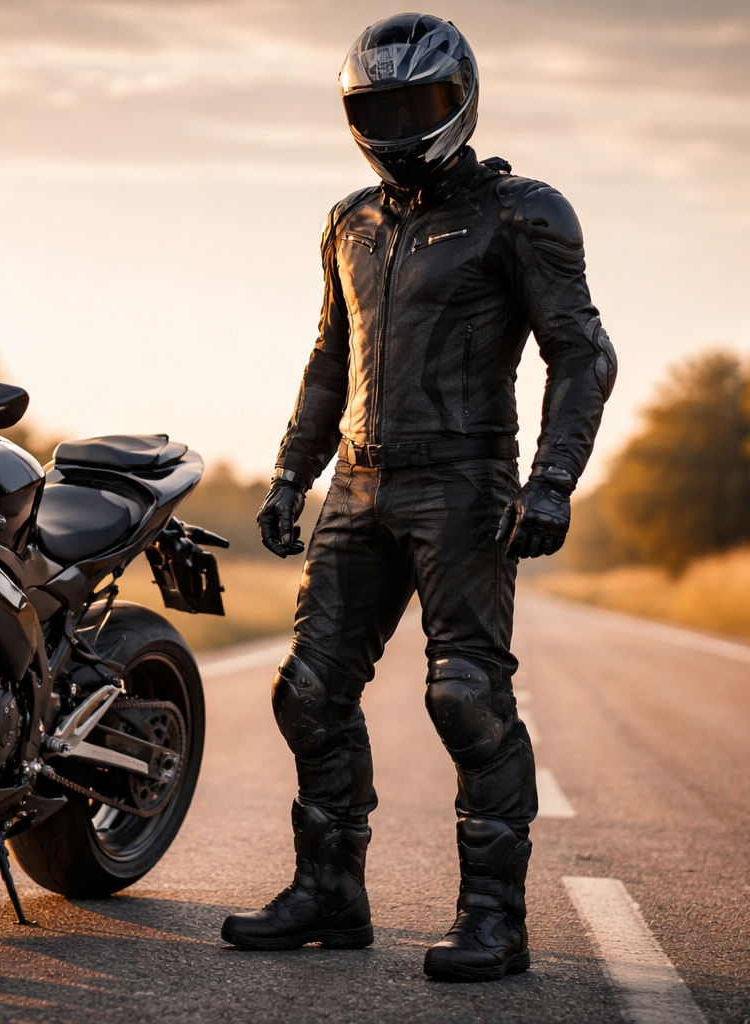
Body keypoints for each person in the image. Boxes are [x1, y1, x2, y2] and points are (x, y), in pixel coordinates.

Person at [219, 13, 615, 983]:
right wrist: (289, 474)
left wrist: (552, 482)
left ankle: (494, 919)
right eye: (379, 107)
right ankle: (330, 893)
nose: (399, 123)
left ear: (463, 99)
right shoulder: (347, 220)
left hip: (465, 482)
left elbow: (583, 354)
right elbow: (329, 357)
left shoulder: (527, 212)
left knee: (467, 696)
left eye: (419, 103)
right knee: (306, 692)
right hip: (358, 482)